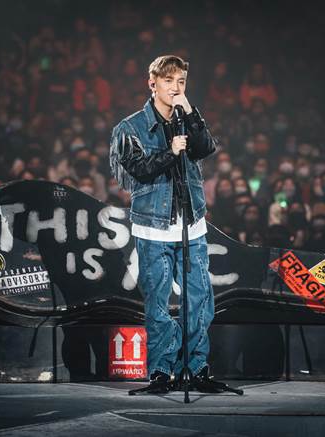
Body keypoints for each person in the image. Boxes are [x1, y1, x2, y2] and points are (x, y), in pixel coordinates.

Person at [109, 55, 217, 393]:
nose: (175, 87)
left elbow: (205, 148)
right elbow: (137, 170)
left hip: (192, 226)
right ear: (152, 83)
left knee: (199, 299)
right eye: (169, 81)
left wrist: (192, 113)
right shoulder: (130, 127)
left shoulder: (188, 120)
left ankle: (196, 367)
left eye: (181, 81)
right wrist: (170, 152)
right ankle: (160, 369)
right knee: (157, 301)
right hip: (153, 229)